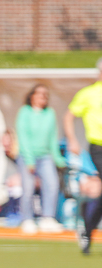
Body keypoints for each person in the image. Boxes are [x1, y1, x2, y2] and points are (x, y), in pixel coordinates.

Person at [15, 84, 67, 234]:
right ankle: (27, 219)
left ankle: (48, 218)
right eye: (40, 94)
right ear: (32, 96)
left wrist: (58, 159)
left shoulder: (50, 113)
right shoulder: (24, 112)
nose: (43, 97)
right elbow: (23, 137)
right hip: (27, 156)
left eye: (46, 94)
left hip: (46, 156)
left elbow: (52, 138)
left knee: (52, 184)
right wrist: (30, 160)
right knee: (28, 188)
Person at [64, 56, 102, 253]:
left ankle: (87, 231)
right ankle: (87, 231)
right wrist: (72, 139)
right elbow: (69, 116)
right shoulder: (89, 94)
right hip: (99, 147)